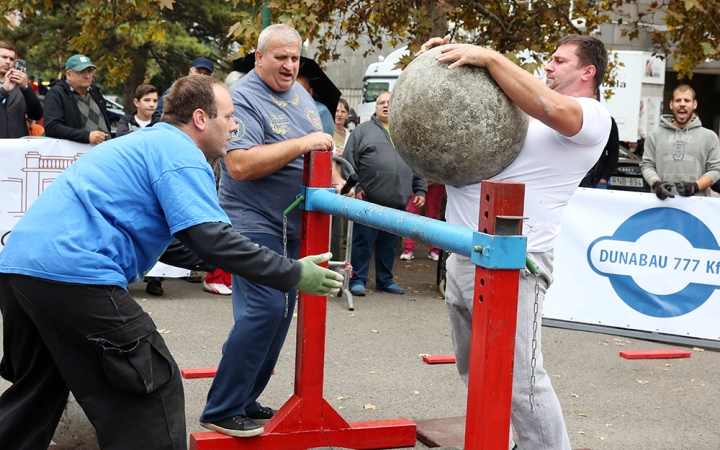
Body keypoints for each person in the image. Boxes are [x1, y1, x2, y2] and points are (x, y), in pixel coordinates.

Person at [0, 74, 342, 450]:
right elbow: (211, 239)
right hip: (75, 274)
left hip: (20, 270)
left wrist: (245, 264)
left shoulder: (143, 142)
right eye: (229, 117)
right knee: (152, 387)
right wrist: (292, 271)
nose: (234, 126)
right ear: (200, 118)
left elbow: (186, 246)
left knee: (39, 390)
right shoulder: (181, 153)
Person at [417, 34, 611, 450]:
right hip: (465, 250)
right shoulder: (523, 109)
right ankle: (503, 440)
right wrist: (432, 65)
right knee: (477, 370)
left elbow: (549, 105)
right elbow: (453, 117)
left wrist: (488, 56)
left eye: (559, 60)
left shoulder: (592, 116)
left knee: (520, 378)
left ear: (587, 71)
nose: (549, 66)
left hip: (514, 263)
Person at [199, 24, 335, 438]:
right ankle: (221, 409)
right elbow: (238, 165)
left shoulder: (303, 98)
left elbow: (316, 148)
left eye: (295, 58)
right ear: (259, 58)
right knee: (265, 310)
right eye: (280, 57)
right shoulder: (243, 98)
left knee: (279, 316)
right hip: (253, 220)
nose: (290, 65)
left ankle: (244, 398)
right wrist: (304, 143)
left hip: (293, 226)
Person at [342, 91, 427, 296]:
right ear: (375, 107)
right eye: (381, 103)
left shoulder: (404, 135)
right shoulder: (362, 131)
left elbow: (417, 164)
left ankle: (385, 280)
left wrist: (421, 187)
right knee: (362, 242)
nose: (385, 106)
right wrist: (357, 187)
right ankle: (357, 280)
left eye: (389, 102)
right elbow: (347, 161)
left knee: (389, 244)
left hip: (397, 200)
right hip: (368, 200)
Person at [640, 84, 720, 199]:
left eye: (687, 100)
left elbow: (716, 169)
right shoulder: (654, 135)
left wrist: (695, 187)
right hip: (661, 204)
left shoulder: (709, 136)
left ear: (695, 104)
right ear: (671, 104)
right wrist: (656, 183)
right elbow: (647, 165)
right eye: (678, 100)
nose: (682, 104)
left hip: (695, 208)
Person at [44, 54, 111, 144]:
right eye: (82, 72)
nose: (87, 76)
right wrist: (86, 136)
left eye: (89, 71)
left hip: (104, 150)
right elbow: (52, 128)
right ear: (68, 75)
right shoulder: (56, 93)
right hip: (77, 154)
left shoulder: (94, 91)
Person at [0, 40, 43, 138]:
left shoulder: (19, 86)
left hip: (17, 147)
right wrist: (4, 91)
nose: (8, 62)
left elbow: (36, 115)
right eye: (4, 57)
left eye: (11, 59)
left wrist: (26, 88)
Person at [400, 180, 446, 261]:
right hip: (415, 181)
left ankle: (434, 248)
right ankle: (408, 248)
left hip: (435, 181)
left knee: (433, 214)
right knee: (411, 214)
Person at [580, 116, 619, 189]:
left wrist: (604, 178)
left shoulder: (607, 121)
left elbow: (613, 152)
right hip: (573, 181)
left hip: (596, 182)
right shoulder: (575, 118)